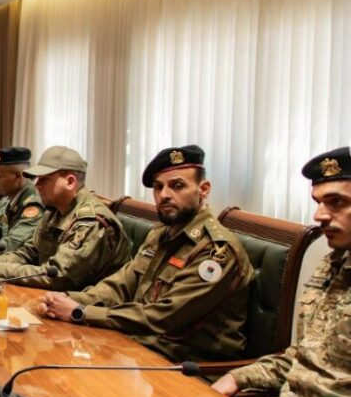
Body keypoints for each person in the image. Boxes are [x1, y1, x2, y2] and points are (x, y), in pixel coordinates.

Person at [37, 145, 253, 362]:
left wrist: (81, 312)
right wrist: (67, 299)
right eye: (158, 187)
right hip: (139, 346)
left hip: (187, 365)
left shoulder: (216, 252)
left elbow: (164, 316)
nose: (164, 195)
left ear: (203, 189)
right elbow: (120, 285)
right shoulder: (160, 233)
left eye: (177, 186)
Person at [212, 147, 351, 397]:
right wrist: (238, 377)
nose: (319, 215)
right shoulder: (333, 264)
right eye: (318, 202)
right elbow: (303, 356)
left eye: (337, 202)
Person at [0, 145, 131, 290]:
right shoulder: (55, 210)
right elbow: (29, 253)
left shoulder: (91, 221)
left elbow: (58, 276)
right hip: (56, 297)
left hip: (86, 305)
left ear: (70, 182)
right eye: (38, 179)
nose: (37, 185)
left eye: (45, 179)